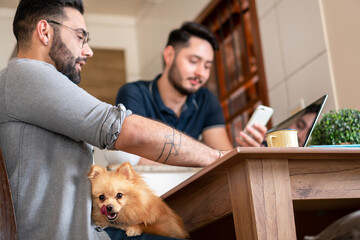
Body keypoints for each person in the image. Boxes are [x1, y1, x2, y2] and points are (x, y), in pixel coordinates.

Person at [0, 0, 228, 239]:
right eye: (80, 37)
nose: (88, 51)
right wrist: (218, 156)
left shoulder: (21, 82)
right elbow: (128, 131)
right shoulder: (28, 75)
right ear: (44, 32)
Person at [116, 22, 267, 164]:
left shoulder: (207, 101)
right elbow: (133, 158)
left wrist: (245, 150)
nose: (201, 73)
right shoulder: (134, 93)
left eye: (207, 66)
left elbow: (223, 159)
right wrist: (202, 158)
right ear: (169, 56)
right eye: (194, 61)